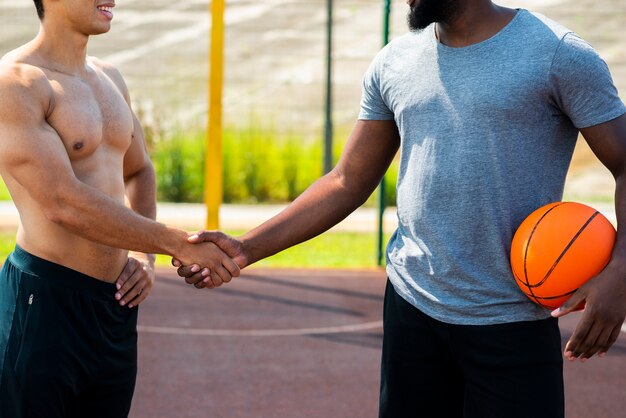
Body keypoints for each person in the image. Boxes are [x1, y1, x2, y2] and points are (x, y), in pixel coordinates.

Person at [175, 0, 626, 416]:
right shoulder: (395, 61)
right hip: (414, 309)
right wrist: (244, 248)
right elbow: (346, 180)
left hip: (512, 320)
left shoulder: (559, 55)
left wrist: (620, 271)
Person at [0, 1, 239, 417]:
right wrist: (174, 243)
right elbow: (62, 202)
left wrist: (143, 255)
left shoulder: (109, 78)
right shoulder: (17, 82)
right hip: (46, 302)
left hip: (114, 305)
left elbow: (139, 169)